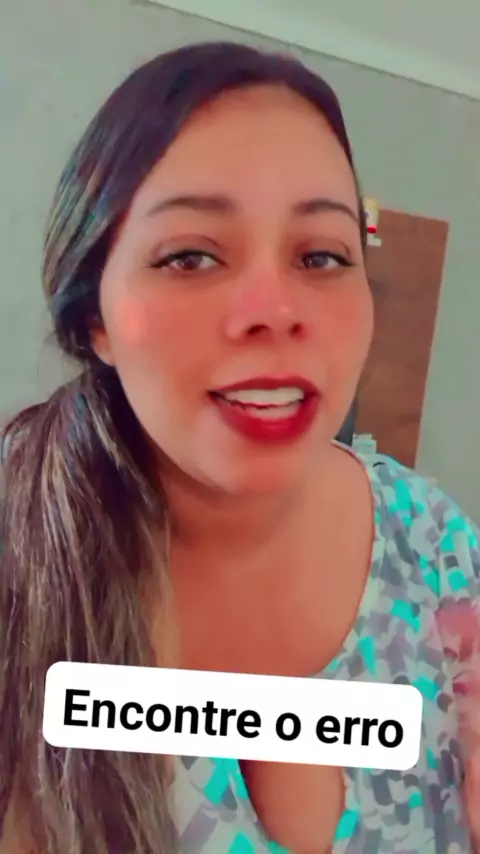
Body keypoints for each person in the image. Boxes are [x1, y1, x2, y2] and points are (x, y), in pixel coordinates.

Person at [1, 41, 480, 854]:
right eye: (190, 256)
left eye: (321, 256)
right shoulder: (18, 559)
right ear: (94, 319)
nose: (276, 310)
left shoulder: (433, 546)